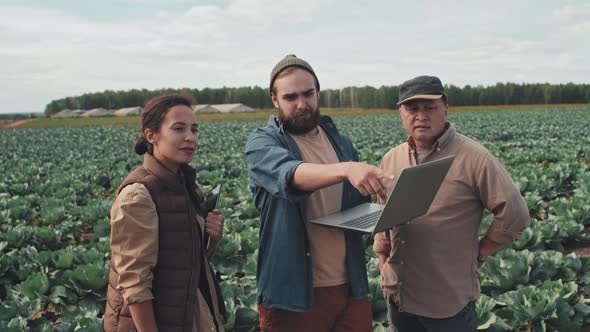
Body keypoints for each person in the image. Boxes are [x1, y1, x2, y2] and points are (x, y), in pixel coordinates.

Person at [245, 54, 392, 332]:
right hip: (295, 293)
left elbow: (355, 206)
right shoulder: (262, 143)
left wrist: (386, 204)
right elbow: (289, 175)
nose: (302, 104)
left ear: (317, 92)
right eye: (290, 97)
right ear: (275, 100)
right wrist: (346, 169)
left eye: (308, 93)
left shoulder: (341, 143)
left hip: (351, 285)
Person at [373, 75, 530, 332]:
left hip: (447, 301)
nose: (420, 115)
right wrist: (382, 260)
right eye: (412, 108)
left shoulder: (473, 157)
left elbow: (515, 213)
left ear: (445, 109)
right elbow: (383, 215)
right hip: (398, 297)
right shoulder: (392, 158)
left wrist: (482, 251)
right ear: (401, 113)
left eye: (430, 108)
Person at [104, 93, 226, 332]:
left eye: (194, 129)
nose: (189, 137)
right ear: (152, 135)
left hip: (185, 311)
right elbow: (135, 284)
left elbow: (184, 262)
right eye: (178, 129)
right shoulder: (138, 196)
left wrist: (211, 238)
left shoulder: (188, 185)